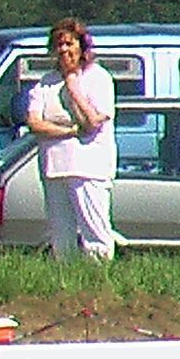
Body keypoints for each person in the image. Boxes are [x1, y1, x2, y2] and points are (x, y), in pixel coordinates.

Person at [27, 16, 117, 260]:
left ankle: (99, 280)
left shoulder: (98, 77)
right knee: (60, 232)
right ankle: (65, 278)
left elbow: (93, 122)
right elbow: (35, 123)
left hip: (89, 167)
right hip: (54, 167)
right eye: (59, 45)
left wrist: (74, 87)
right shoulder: (46, 82)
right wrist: (69, 131)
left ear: (82, 46)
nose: (64, 49)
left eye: (70, 43)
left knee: (94, 229)